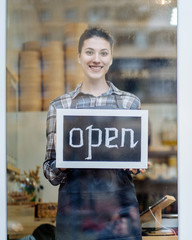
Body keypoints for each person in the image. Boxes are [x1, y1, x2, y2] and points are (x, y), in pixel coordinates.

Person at [43, 27, 145, 240]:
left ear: (111, 58)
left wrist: (138, 166)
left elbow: (135, 166)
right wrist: (62, 162)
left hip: (120, 216)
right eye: (89, 52)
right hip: (75, 215)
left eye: (103, 53)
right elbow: (50, 172)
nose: (96, 59)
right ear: (79, 57)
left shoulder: (129, 103)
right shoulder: (60, 106)